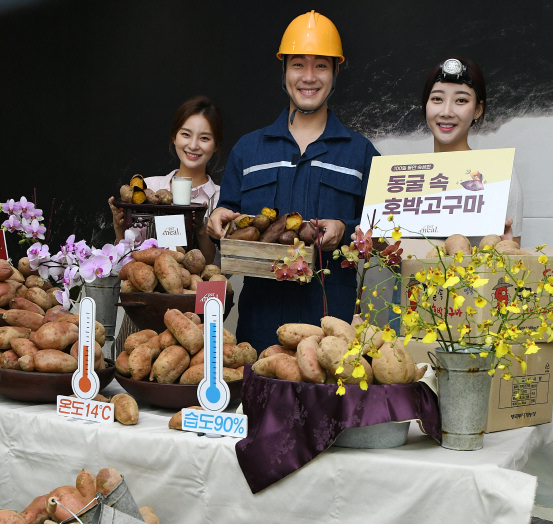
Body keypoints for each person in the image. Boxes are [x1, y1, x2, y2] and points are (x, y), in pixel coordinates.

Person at [207, 11, 379, 354]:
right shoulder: (249, 149)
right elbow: (231, 215)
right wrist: (220, 217)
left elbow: (384, 231)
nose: (309, 77)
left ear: (335, 73)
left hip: (331, 332)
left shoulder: (361, 154)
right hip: (258, 328)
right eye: (298, 64)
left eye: (321, 66)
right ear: (284, 70)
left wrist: (345, 229)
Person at [108, 96, 222, 263]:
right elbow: (127, 260)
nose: (193, 145)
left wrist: (201, 231)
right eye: (186, 134)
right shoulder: (149, 189)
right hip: (146, 286)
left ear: (216, 144)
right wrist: (119, 227)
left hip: (200, 289)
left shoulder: (223, 200)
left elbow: (221, 270)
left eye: (204, 138)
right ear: (174, 137)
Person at [422, 57, 523, 245]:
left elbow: (513, 263)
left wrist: (506, 247)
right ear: (425, 105)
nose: (446, 111)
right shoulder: (404, 176)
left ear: (478, 110)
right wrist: (374, 245)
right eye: (437, 99)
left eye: (461, 100)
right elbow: (398, 266)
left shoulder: (500, 175)